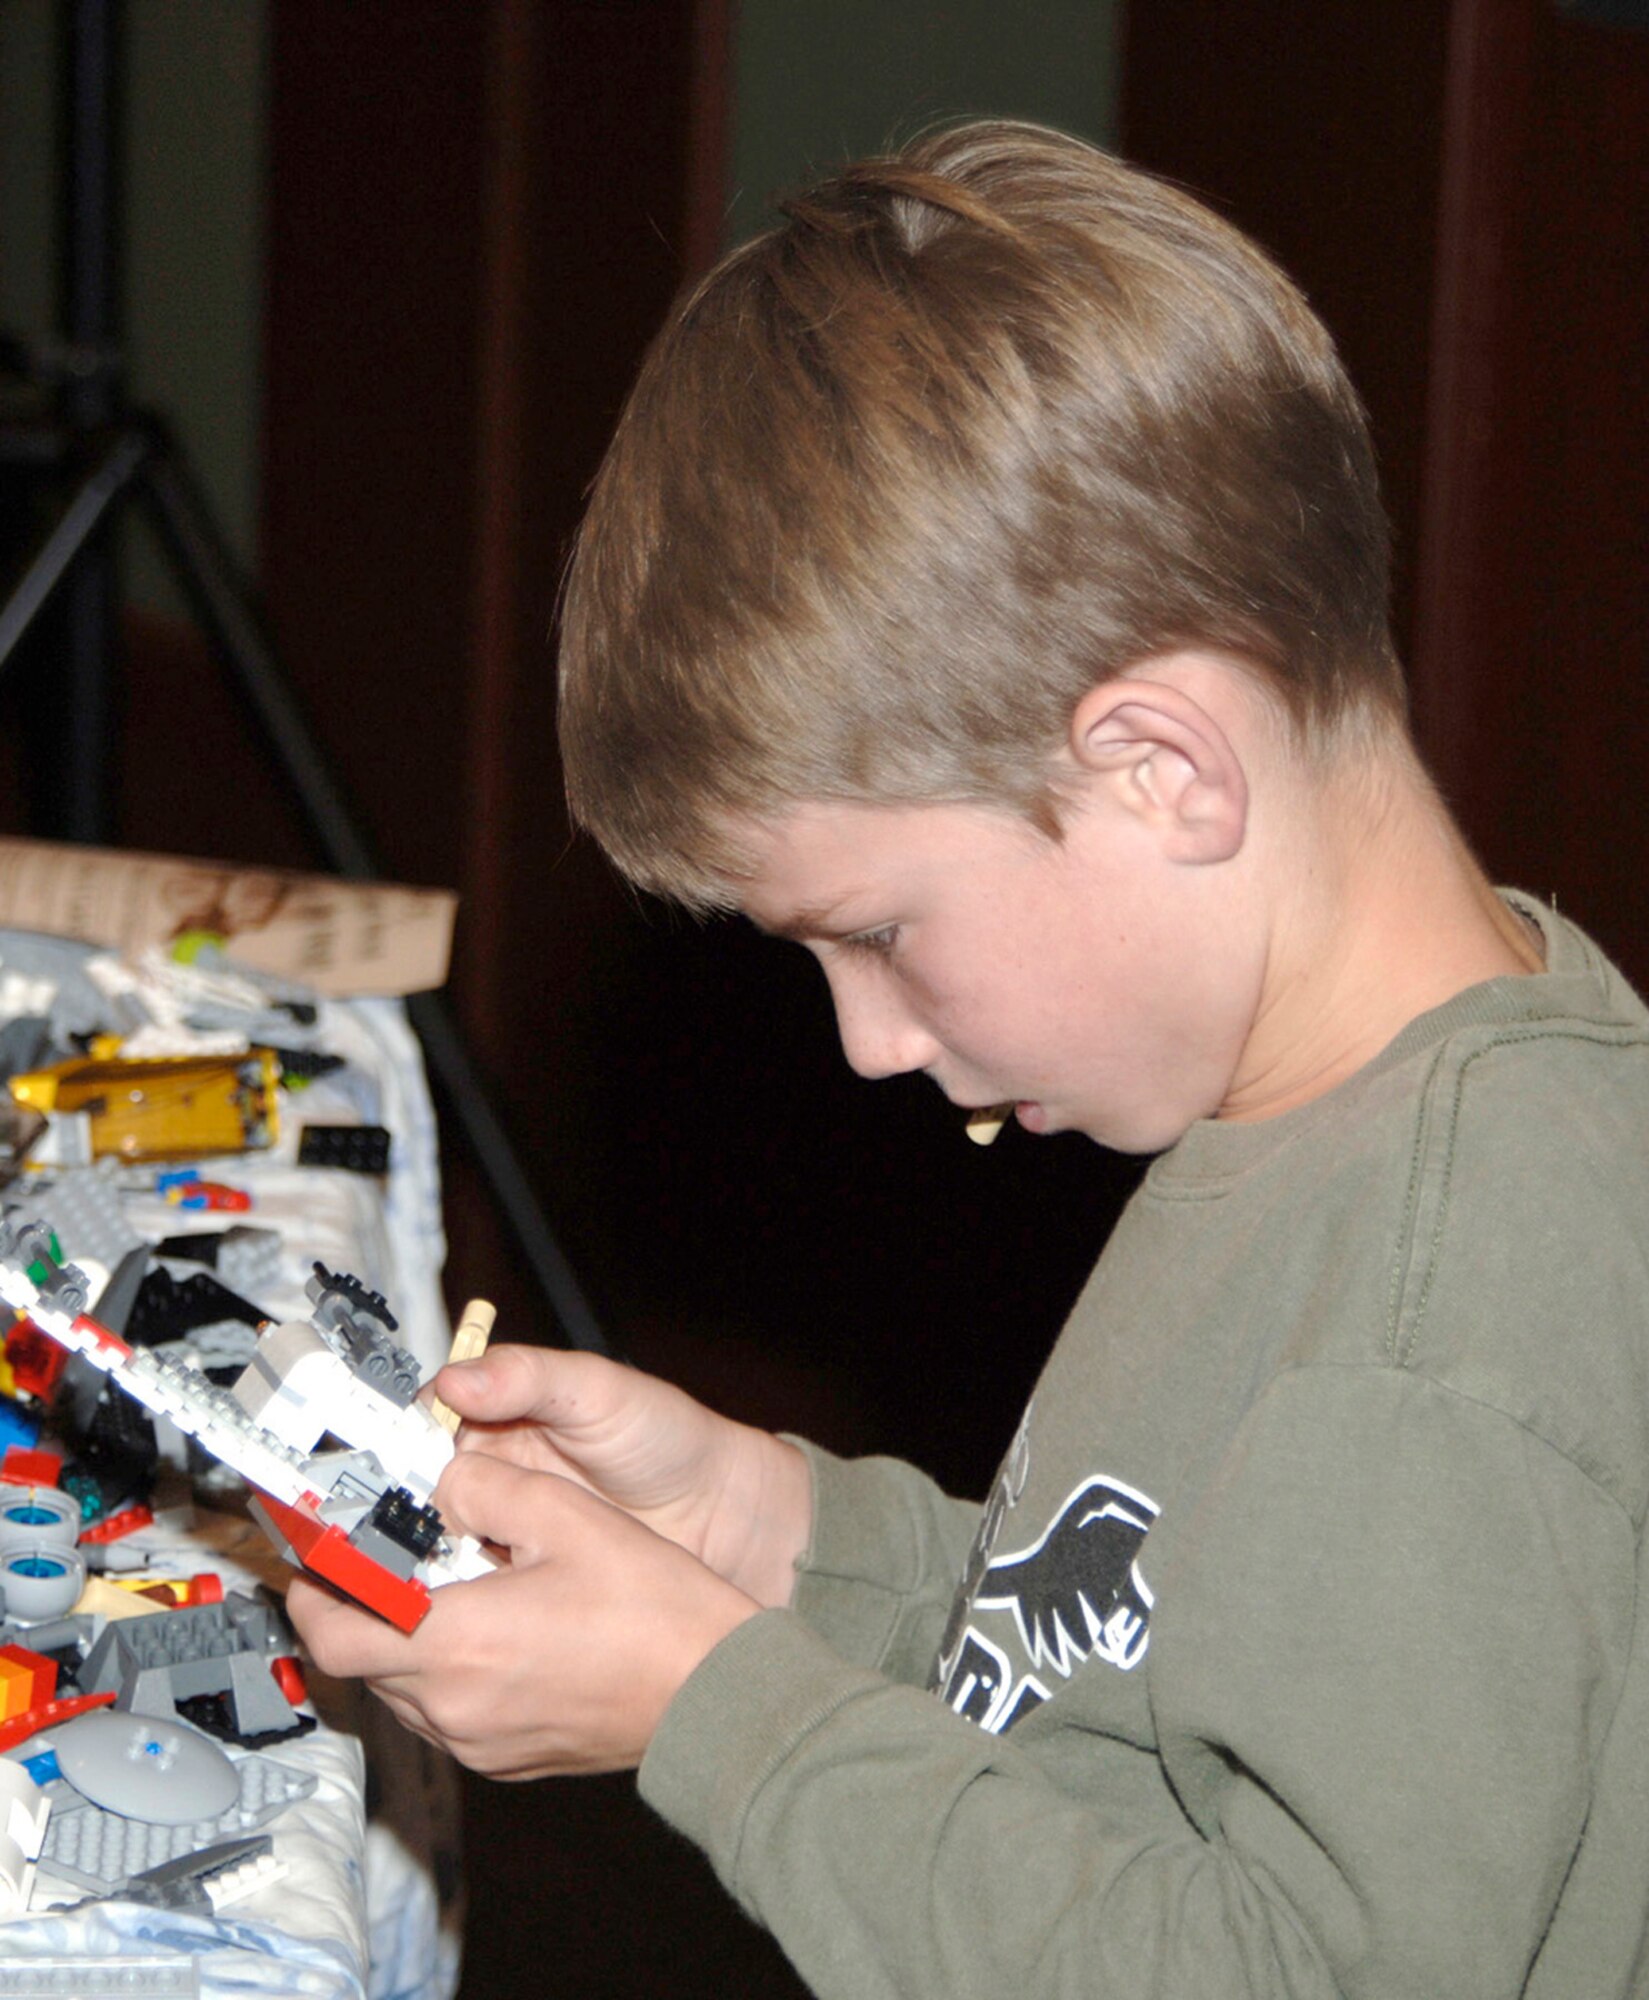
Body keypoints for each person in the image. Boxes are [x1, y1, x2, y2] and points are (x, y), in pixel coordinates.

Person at [288, 123, 1649, 1997]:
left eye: (882, 932)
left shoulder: (1439, 1314)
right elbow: (1124, 1670)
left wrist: (717, 1710)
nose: (867, 1041)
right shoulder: (1314, 1102)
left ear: (1161, 770)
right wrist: (774, 1542)